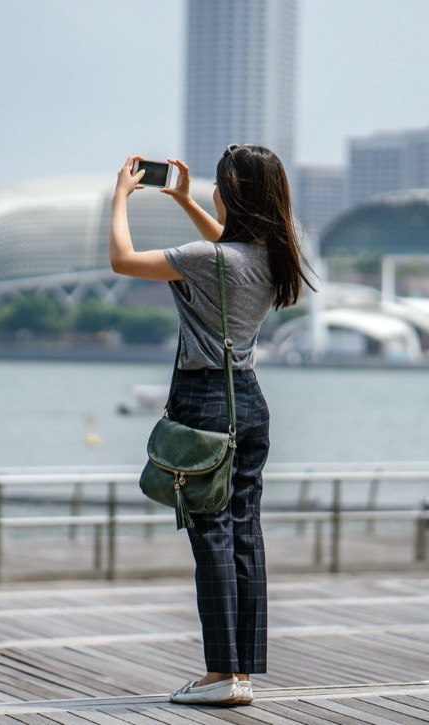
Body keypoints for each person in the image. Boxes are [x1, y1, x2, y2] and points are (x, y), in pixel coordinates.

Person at [109, 145, 316, 706]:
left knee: (212, 537)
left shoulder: (209, 259)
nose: (215, 194)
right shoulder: (274, 258)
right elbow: (227, 242)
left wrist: (121, 198)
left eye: (220, 186)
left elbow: (123, 261)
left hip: (205, 402)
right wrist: (183, 200)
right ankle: (240, 673)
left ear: (232, 194)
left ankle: (221, 674)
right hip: (249, 402)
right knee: (245, 533)